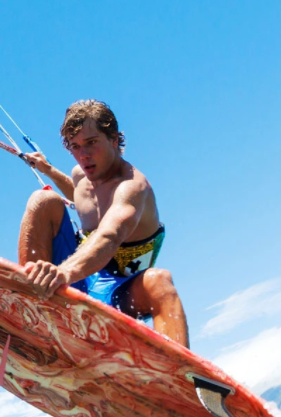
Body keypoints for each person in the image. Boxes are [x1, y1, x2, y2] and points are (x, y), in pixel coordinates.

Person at [19, 100, 189, 348]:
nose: (83, 155)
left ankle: (177, 368)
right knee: (43, 200)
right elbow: (82, 198)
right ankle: (32, 303)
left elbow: (109, 236)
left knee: (159, 281)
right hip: (76, 283)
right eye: (75, 146)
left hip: (119, 294)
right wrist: (49, 170)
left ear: (114, 140)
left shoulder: (132, 187)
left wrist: (63, 273)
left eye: (91, 142)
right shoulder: (81, 176)